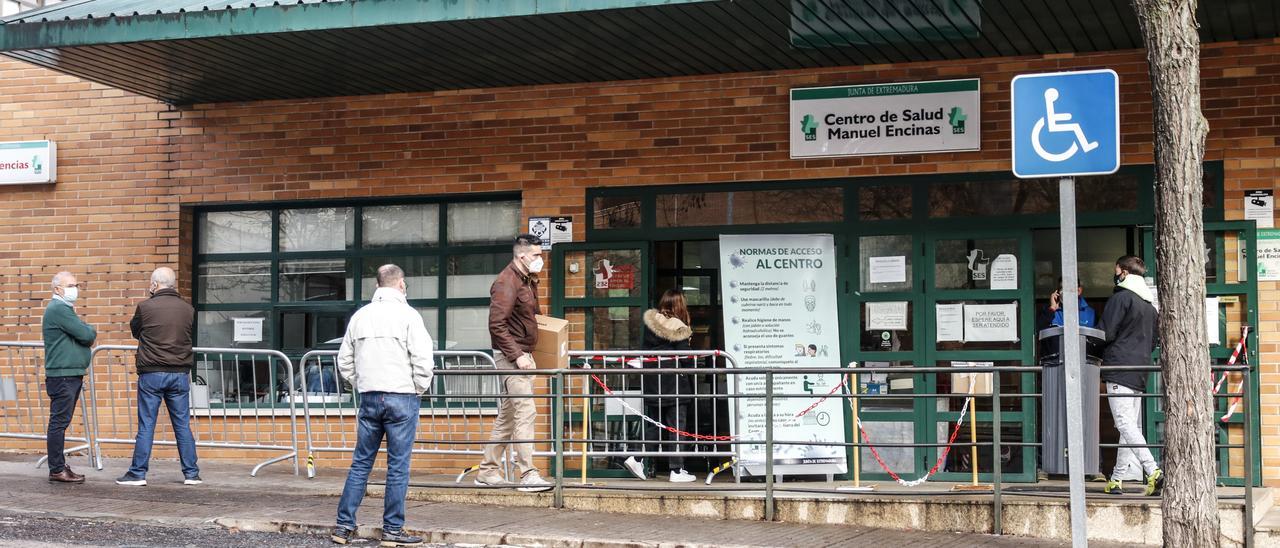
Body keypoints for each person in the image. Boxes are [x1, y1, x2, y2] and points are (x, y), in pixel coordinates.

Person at [331, 264, 434, 547]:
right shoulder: (408, 316)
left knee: (361, 463)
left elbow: (344, 360)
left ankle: (343, 527)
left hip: (369, 396)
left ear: (378, 285)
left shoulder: (360, 316)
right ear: (401, 284)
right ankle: (392, 530)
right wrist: (417, 388)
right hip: (402, 396)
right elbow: (424, 360)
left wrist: (361, 382)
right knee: (398, 466)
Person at [475, 234, 552, 492]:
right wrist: (517, 355)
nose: (540, 260)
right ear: (522, 256)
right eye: (537, 255)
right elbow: (496, 324)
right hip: (512, 357)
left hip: (520, 355)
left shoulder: (524, 279)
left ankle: (487, 471)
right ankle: (528, 473)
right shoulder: (506, 282)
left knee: (508, 416)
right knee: (526, 410)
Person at [116, 267, 201, 487]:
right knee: (182, 425)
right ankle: (191, 474)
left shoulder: (145, 307)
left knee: (146, 425)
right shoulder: (188, 309)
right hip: (180, 373)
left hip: (152, 373)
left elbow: (136, 331)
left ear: (154, 285)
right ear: (173, 284)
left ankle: (138, 473)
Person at [1097, 256, 1162, 496]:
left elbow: (1105, 332)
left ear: (1123, 272)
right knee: (1129, 425)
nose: (1115, 274)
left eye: (1116, 270)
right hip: (1140, 371)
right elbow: (1154, 341)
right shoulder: (1149, 306)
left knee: (1124, 423)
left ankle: (1153, 470)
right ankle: (1116, 479)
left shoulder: (1120, 298)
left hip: (1119, 368)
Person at [623, 289, 697, 483]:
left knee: (654, 424)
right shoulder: (678, 327)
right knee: (676, 427)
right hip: (674, 384)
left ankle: (637, 458)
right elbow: (685, 357)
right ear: (679, 305)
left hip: (653, 381)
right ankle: (677, 469)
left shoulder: (651, 324)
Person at [42, 271, 96, 484]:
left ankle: (59, 466)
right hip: (63, 376)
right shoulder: (59, 309)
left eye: (76, 285)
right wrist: (88, 329)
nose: (75, 289)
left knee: (60, 422)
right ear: (57, 289)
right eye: (71, 285)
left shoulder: (63, 309)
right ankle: (56, 469)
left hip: (69, 375)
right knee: (59, 422)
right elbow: (87, 335)